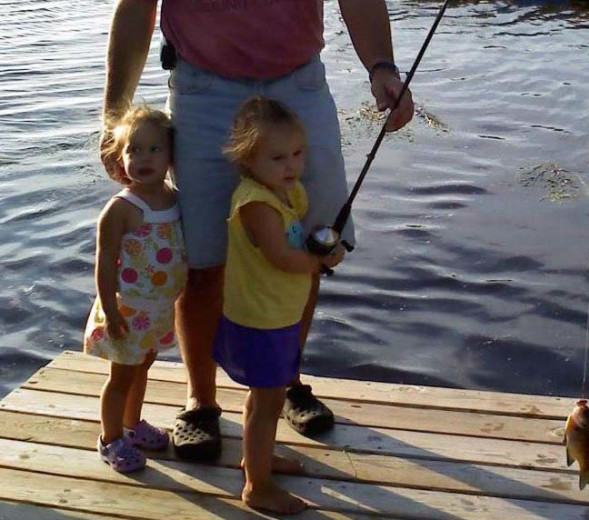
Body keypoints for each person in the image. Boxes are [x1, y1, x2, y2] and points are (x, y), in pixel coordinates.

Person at [101, 0, 415, 461]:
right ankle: (201, 402)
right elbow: (137, 8)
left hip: (299, 83)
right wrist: (115, 113)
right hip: (203, 89)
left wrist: (382, 66)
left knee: (307, 247)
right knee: (205, 260)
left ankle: (284, 381)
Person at [214, 95, 345, 514]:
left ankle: (260, 458)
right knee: (266, 401)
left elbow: (300, 239)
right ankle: (257, 486)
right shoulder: (255, 204)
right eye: (277, 158)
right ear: (247, 159)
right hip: (260, 319)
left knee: (265, 398)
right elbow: (283, 257)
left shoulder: (287, 193)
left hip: (278, 315)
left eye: (296, 154)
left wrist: (327, 243)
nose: (291, 166)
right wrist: (321, 258)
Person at [85, 106, 187, 473]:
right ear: (119, 157)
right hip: (126, 309)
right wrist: (111, 312)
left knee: (143, 366)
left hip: (158, 308)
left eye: (154, 149)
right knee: (120, 376)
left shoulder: (175, 198)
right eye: (134, 150)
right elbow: (104, 261)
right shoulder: (122, 208)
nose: (143, 158)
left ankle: (133, 423)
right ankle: (110, 438)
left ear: (171, 154)